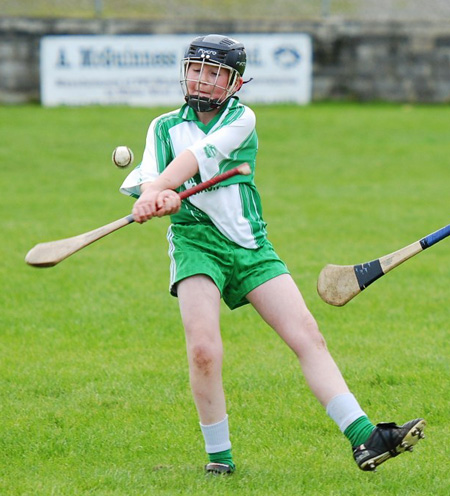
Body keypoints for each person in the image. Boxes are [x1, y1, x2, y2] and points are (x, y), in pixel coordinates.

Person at [119, 34, 426, 475]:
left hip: (249, 243)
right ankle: (219, 461)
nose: (203, 82)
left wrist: (166, 187)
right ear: (184, 71)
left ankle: (365, 437)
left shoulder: (242, 119)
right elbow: (151, 178)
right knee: (204, 350)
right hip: (195, 243)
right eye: (197, 70)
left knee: (307, 335)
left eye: (215, 74)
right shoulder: (161, 126)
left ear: (235, 84)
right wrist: (152, 196)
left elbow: (195, 157)